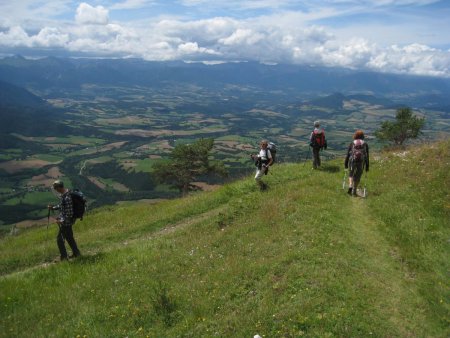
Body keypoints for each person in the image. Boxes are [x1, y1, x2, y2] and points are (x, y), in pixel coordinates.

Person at [48, 180, 81, 260]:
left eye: (56, 188)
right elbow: (62, 205)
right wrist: (54, 207)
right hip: (67, 221)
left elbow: (69, 213)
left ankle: (64, 257)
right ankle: (76, 253)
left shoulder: (67, 197)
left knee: (59, 240)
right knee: (69, 237)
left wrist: (61, 221)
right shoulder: (65, 194)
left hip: (66, 222)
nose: (55, 190)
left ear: (59, 187)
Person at [344, 130, 369, 196]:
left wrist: (346, 163)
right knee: (358, 176)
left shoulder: (352, 143)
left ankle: (350, 185)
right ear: (362, 136)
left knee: (351, 174)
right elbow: (367, 155)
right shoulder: (365, 143)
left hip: (352, 161)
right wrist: (367, 166)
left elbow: (348, 154)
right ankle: (354, 190)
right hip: (361, 162)